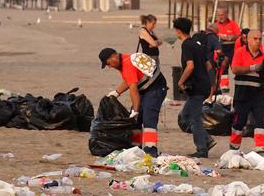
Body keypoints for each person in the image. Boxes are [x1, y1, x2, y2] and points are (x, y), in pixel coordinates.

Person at [100, 46, 168, 158]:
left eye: (109, 63)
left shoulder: (127, 64)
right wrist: (117, 92)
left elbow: (133, 89)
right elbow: (129, 79)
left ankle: (151, 149)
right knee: (135, 122)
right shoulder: (124, 62)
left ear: (114, 56)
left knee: (148, 118)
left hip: (155, 88)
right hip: (145, 90)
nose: (109, 66)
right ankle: (136, 146)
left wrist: (135, 110)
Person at [172, 17, 215, 158]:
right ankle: (207, 139)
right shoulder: (198, 45)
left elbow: (190, 66)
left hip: (196, 86)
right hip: (203, 85)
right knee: (185, 116)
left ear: (178, 31)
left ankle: (202, 149)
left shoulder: (186, 45)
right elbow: (209, 65)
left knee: (194, 118)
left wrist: (180, 81)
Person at [229, 29, 264, 155]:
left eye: (260, 39)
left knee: (260, 122)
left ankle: (260, 149)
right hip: (242, 94)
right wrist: (252, 68)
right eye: (255, 39)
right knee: (239, 122)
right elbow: (235, 69)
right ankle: (234, 148)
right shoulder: (240, 52)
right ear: (247, 39)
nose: (258, 41)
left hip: (258, 94)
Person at [211, 8, 241, 92]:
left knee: (235, 66)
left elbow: (238, 34)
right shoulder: (215, 25)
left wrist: (231, 37)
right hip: (221, 48)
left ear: (226, 15)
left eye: (222, 15)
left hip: (232, 48)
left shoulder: (233, 24)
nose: (220, 17)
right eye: (219, 15)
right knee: (222, 67)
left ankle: (239, 83)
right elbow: (212, 35)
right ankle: (224, 86)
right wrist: (224, 37)